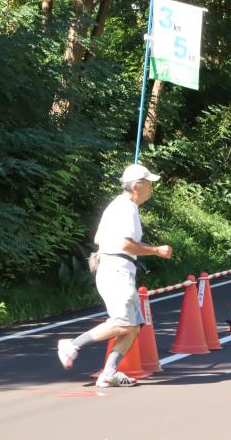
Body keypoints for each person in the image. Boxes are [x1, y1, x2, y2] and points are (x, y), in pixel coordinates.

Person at [57, 164, 173, 387]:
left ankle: (108, 374)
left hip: (116, 269)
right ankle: (72, 345)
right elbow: (125, 244)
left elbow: (100, 237)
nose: (152, 187)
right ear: (137, 186)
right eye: (149, 183)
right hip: (117, 270)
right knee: (122, 323)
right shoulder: (126, 208)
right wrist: (156, 250)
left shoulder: (118, 206)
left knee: (134, 325)